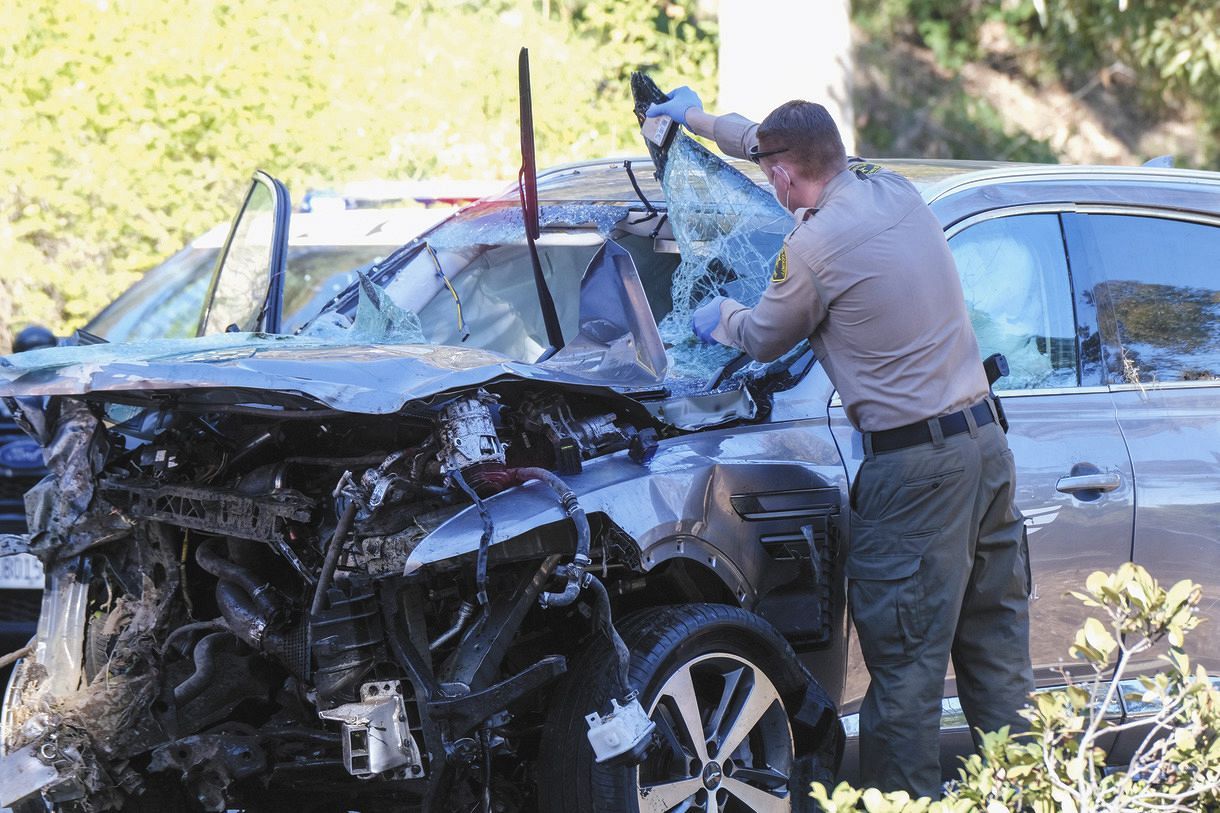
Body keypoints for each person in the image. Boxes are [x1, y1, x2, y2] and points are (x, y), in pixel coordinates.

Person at [646, 87, 1034, 798]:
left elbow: (764, 337)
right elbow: (765, 142)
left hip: (916, 475)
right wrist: (692, 120)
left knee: (907, 679)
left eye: (770, 173)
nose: (769, 181)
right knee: (998, 664)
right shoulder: (893, 190)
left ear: (784, 178)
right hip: (986, 451)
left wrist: (718, 315)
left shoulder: (813, 248)